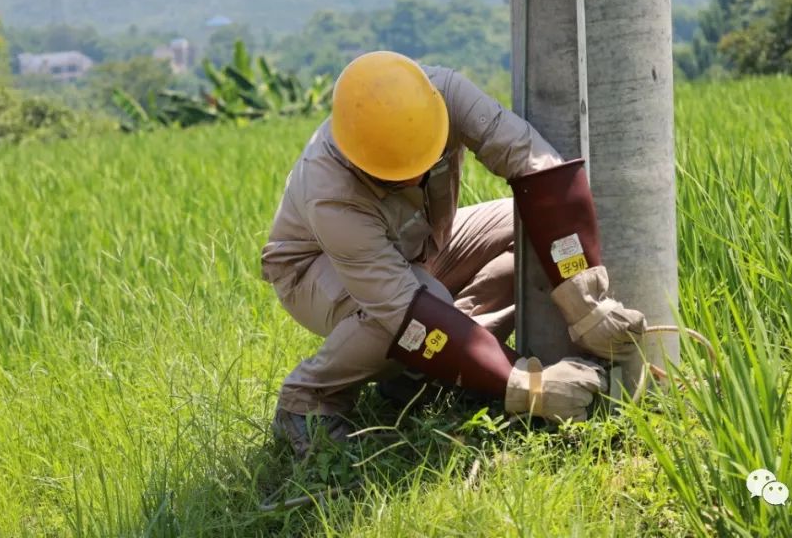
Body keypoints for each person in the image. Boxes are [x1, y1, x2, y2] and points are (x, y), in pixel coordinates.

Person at [261, 51, 646, 457]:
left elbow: (536, 167)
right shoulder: (330, 193)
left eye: (423, 162)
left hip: (417, 246)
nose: (414, 177)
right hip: (315, 270)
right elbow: (404, 310)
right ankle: (306, 400)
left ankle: (428, 370)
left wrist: (583, 295)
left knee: (528, 225)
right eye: (395, 175)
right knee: (418, 312)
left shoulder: (441, 93)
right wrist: (531, 387)